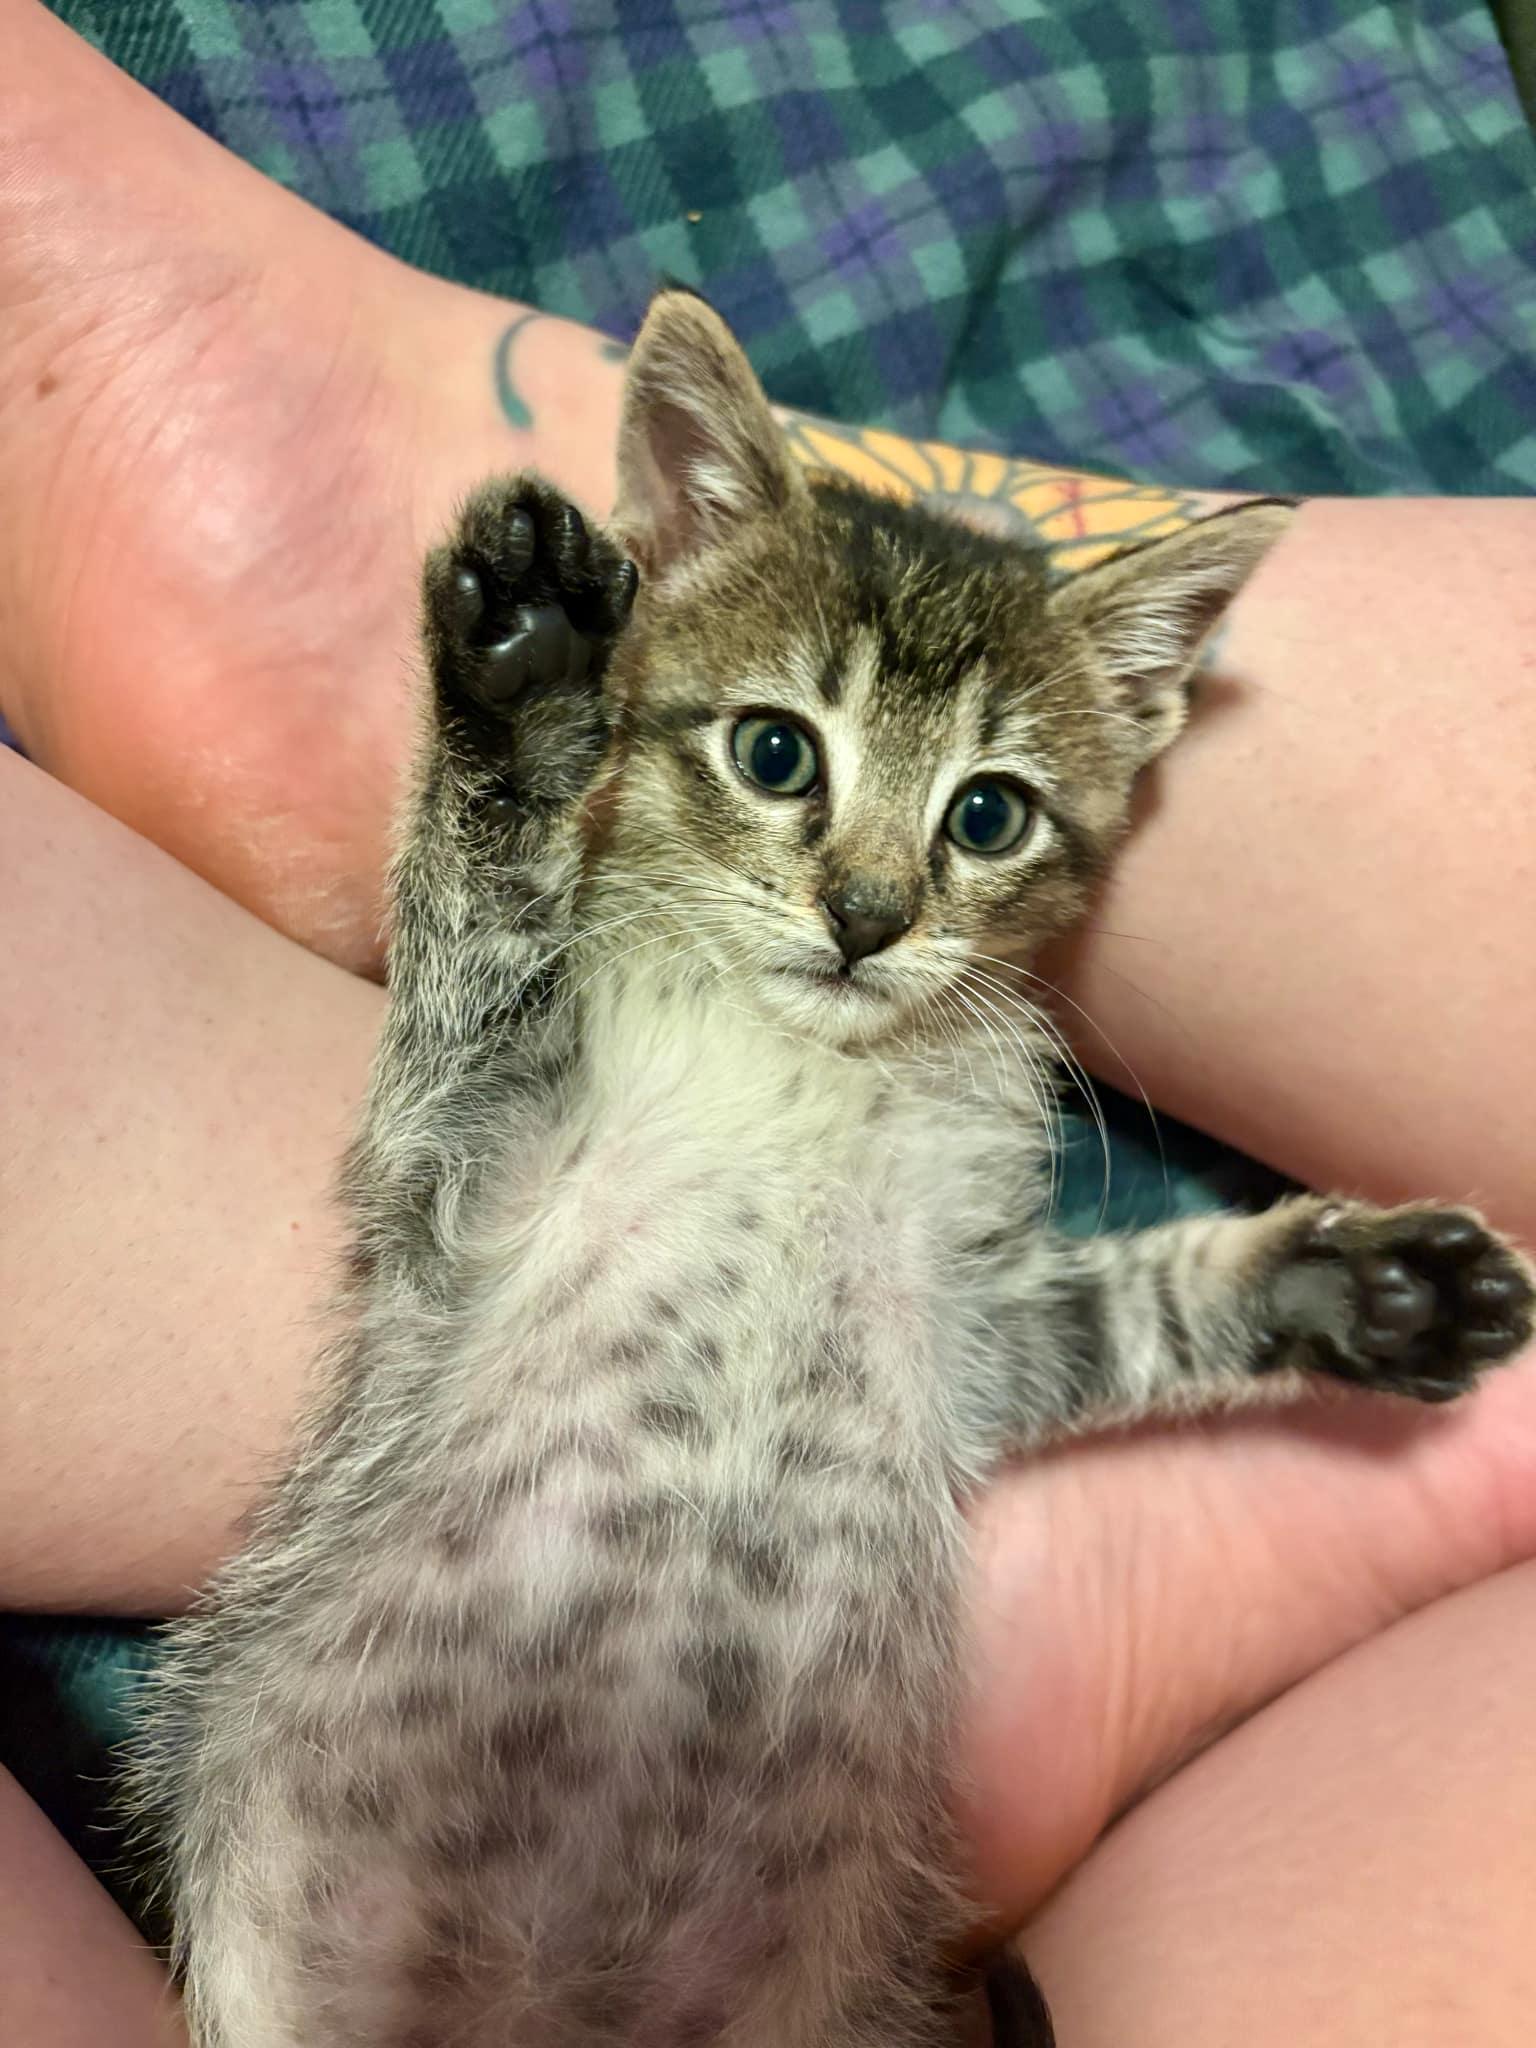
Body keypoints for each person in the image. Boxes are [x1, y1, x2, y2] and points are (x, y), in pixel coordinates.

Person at [2, 3, 1533, 2042]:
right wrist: (1263, 1300)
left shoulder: (959, 1061)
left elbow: (532, 1169)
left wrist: (497, 772)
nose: (875, 898)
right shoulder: (721, 974)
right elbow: (521, 1135)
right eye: (789, 761)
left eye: (981, 820)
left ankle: (376, 529)